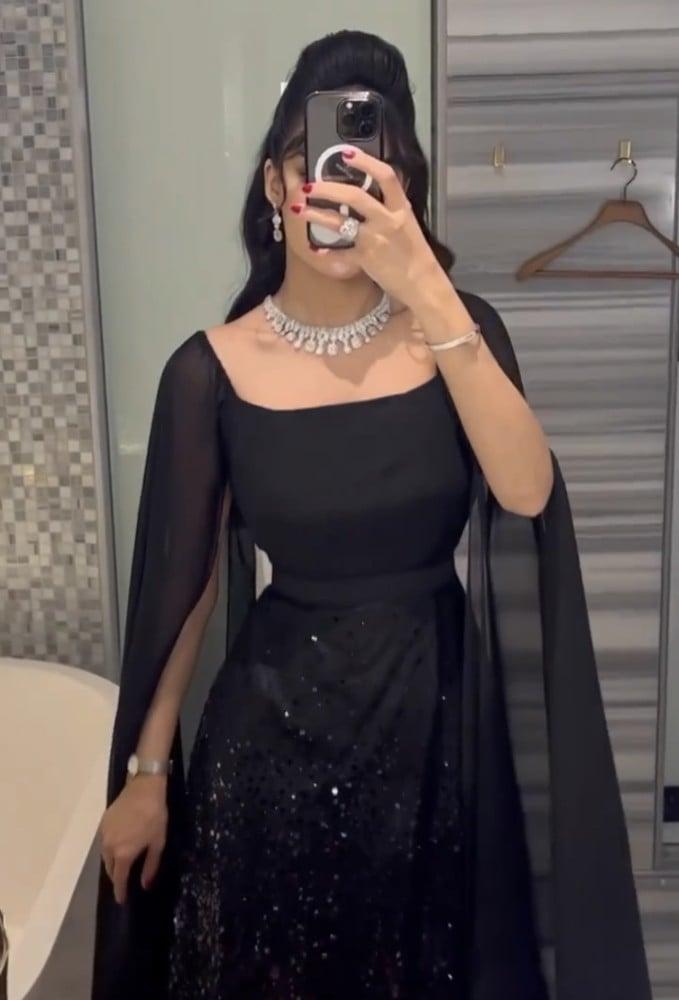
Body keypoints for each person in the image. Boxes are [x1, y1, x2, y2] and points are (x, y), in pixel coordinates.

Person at [91, 29, 652, 1000]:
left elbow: (525, 491)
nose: (340, 195)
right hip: (267, 753)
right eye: (319, 168)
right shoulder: (210, 370)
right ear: (276, 187)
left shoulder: (458, 334)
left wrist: (425, 286)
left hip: (436, 735)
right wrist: (147, 772)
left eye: (370, 175)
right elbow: (189, 587)